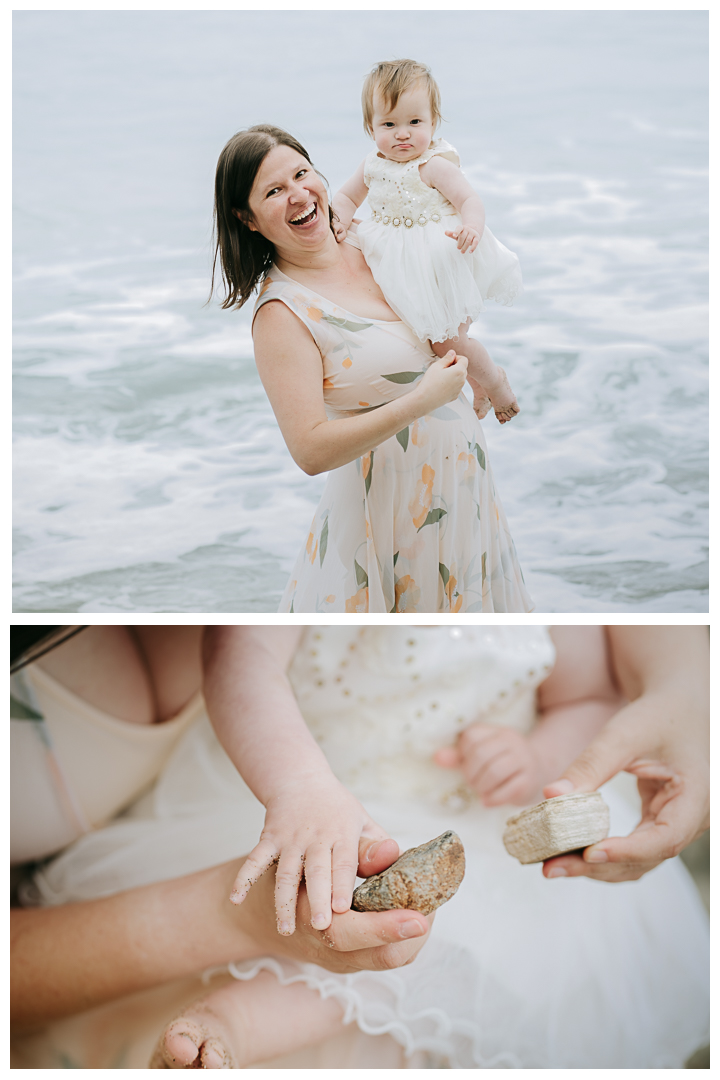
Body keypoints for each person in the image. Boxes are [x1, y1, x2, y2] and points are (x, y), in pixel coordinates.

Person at [10, 627, 432, 1069]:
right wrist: (301, 783)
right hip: (270, 781)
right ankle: (228, 1022)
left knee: (400, 939)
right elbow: (243, 648)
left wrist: (509, 757)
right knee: (325, 911)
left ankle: (228, 1029)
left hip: (414, 808)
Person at [211, 124, 533, 613]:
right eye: (274, 191)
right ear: (248, 219)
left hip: (461, 499)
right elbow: (310, 450)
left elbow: (439, 312)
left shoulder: (375, 238)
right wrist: (421, 400)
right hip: (384, 524)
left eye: (302, 174)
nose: (299, 195)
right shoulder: (282, 314)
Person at [334, 58, 521, 425]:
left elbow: (470, 200)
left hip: (440, 259)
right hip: (394, 261)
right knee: (430, 341)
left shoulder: (433, 165)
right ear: (370, 128)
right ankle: (477, 384)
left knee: (446, 341)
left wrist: (472, 227)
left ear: (433, 122)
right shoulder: (372, 165)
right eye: (389, 124)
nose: (402, 133)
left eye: (414, 122)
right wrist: (338, 219)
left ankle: (495, 381)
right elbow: (345, 199)